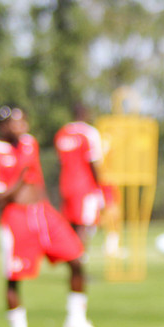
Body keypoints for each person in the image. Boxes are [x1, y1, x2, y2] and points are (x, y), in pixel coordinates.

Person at [0, 105, 106, 327]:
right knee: (14, 278)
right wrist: (19, 179)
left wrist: (50, 209)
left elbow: (38, 180)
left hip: (45, 213)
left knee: (77, 258)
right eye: (16, 122)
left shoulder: (29, 143)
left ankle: (77, 320)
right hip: (16, 217)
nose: (22, 126)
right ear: (3, 126)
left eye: (23, 120)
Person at [54, 103, 109, 247]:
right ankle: (78, 263)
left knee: (71, 224)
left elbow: (61, 162)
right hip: (85, 186)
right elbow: (94, 162)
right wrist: (99, 187)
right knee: (84, 225)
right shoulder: (89, 133)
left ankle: (73, 260)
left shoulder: (62, 133)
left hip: (65, 185)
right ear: (85, 113)